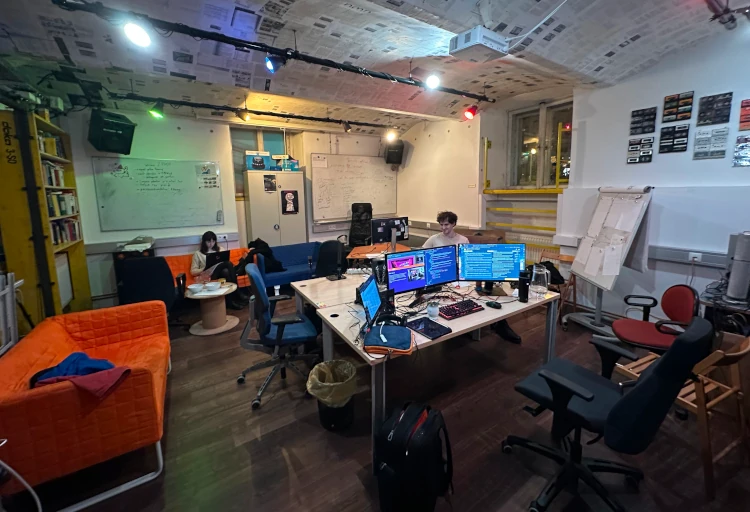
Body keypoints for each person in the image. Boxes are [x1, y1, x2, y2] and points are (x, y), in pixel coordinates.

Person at [423, 211, 521, 344]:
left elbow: (469, 260)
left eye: (446, 224)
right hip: (441, 277)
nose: (443, 228)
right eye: (441, 225)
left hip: (460, 278)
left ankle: (499, 324)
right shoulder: (434, 239)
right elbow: (422, 255)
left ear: (453, 224)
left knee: (477, 297)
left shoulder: (463, 240)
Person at [191, 231, 247, 309]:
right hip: (210, 275)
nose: (211, 244)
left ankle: (230, 303)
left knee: (226, 272)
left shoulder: (220, 249)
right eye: (208, 241)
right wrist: (204, 268)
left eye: (213, 241)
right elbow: (193, 271)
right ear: (204, 242)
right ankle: (237, 292)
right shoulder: (198, 254)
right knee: (227, 263)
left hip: (221, 273)